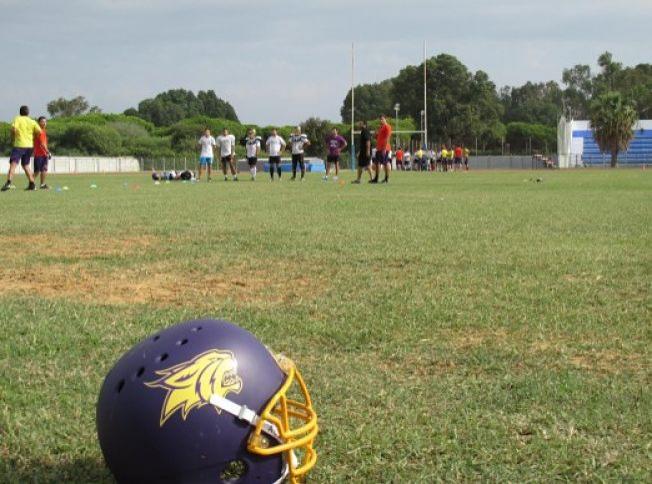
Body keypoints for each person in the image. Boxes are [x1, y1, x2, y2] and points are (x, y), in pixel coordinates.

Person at [2, 106, 41, 192]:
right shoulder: (32, 121)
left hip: (19, 145)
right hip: (29, 146)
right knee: (25, 165)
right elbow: (39, 131)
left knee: (13, 164)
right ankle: (32, 184)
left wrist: (13, 136)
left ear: (20, 112)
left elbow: (13, 129)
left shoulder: (18, 119)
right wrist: (33, 137)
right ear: (28, 113)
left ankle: (8, 182)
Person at [371, 115, 392, 183]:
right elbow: (378, 137)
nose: (381, 120)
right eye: (380, 119)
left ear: (386, 119)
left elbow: (387, 137)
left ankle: (386, 178)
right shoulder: (381, 127)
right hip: (379, 148)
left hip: (384, 148)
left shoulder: (387, 126)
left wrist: (384, 148)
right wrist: (375, 135)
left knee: (385, 163)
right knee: (377, 163)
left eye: (382, 119)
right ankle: (376, 178)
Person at [33, 116, 51, 189]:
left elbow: (44, 143)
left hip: (44, 154)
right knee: (37, 171)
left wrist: (46, 153)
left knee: (44, 169)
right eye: (42, 121)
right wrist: (48, 152)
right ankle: (31, 184)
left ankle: (42, 184)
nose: (44, 123)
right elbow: (42, 144)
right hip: (38, 154)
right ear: (39, 122)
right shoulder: (39, 131)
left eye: (45, 122)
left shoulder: (43, 131)